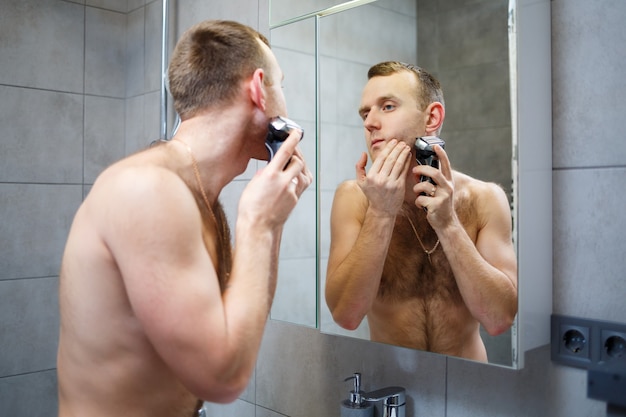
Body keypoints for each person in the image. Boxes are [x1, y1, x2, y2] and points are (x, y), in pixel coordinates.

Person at [56, 20, 312, 417]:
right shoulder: (147, 189)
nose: (286, 104)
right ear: (259, 89)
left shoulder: (198, 198)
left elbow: (233, 334)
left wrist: (270, 223)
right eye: (281, 85)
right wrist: (259, 225)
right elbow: (222, 378)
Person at [324, 61, 517, 361]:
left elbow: (499, 319)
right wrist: (381, 213)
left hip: (472, 387)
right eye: (365, 113)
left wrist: (449, 225)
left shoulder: (484, 198)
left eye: (387, 107)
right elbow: (346, 316)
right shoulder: (355, 199)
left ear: (432, 118)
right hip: (392, 384)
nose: (370, 122)